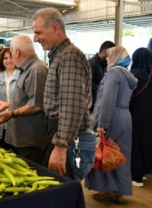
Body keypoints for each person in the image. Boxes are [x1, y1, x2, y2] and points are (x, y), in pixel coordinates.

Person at [32, 7, 96, 181]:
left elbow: (71, 106)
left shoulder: (69, 57)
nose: (35, 38)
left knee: (63, 191)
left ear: (56, 29)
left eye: (38, 32)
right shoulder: (59, 56)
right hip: (65, 134)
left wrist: (60, 147)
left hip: (72, 140)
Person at [86, 46, 137, 203]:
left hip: (111, 117)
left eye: (109, 56)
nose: (106, 59)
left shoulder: (113, 73)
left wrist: (102, 123)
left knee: (105, 153)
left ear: (116, 57)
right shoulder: (128, 75)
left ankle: (107, 190)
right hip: (125, 117)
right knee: (120, 155)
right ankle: (118, 191)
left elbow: (108, 100)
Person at [0, 35, 48, 164]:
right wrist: (8, 104)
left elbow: (37, 104)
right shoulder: (26, 69)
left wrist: (12, 113)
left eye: (11, 52)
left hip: (29, 139)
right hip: (21, 137)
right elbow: (26, 98)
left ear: (17, 52)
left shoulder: (36, 70)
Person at [129, 48, 152, 187]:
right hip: (151, 117)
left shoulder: (133, 75)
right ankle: (144, 172)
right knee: (147, 144)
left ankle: (136, 176)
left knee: (136, 146)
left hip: (136, 116)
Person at [0, 48, 20, 150]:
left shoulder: (22, 75)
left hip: (17, 120)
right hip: (2, 121)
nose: (8, 60)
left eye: (11, 57)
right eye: (5, 58)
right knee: (4, 150)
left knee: (18, 153)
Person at [89, 41, 116, 112]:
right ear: (104, 51)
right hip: (93, 102)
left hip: (99, 99)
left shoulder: (103, 63)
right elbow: (87, 82)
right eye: (111, 53)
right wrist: (101, 87)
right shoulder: (93, 63)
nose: (112, 56)